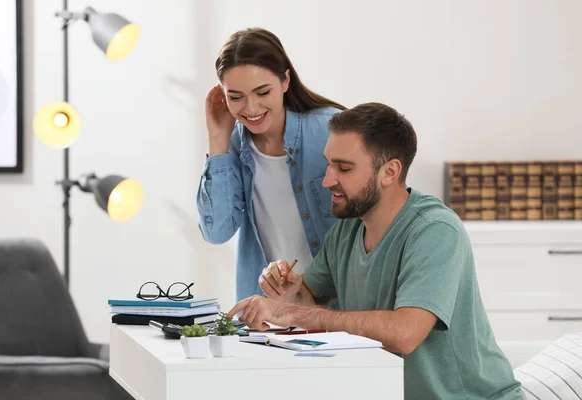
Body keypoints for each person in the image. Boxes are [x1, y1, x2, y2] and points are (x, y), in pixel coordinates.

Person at [228, 102, 525, 400]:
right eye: (328, 163)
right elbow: (312, 299)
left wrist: (288, 313)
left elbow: (404, 334)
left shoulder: (435, 230)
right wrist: (292, 293)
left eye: (344, 168)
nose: (328, 180)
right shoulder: (347, 229)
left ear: (389, 172)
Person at [197, 28, 345, 301]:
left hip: (333, 312)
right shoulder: (233, 146)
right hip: (267, 319)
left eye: (262, 92)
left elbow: (377, 221)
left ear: (285, 80)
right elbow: (216, 232)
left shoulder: (332, 131)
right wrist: (217, 140)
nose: (251, 108)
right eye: (236, 96)